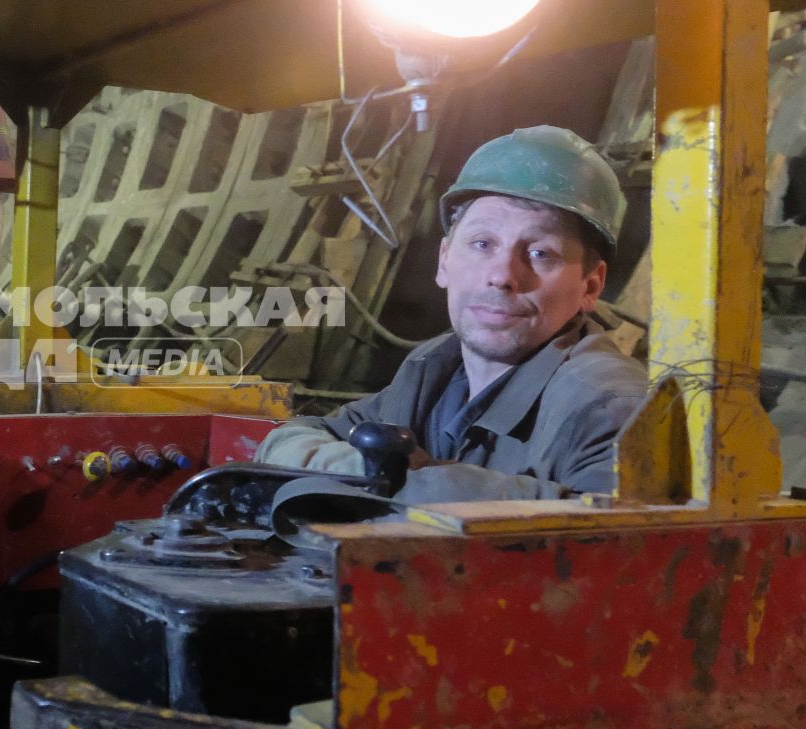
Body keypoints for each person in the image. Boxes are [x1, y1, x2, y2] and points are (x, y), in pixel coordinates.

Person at [256, 126, 646, 503]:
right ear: (444, 261)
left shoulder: (610, 408)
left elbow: (610, 543)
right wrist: (367, 470)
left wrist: (400, 484)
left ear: (590, 286)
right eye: (481, 243)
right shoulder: (434, 369)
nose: (502, 276)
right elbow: (290, 438)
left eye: (540, 253)